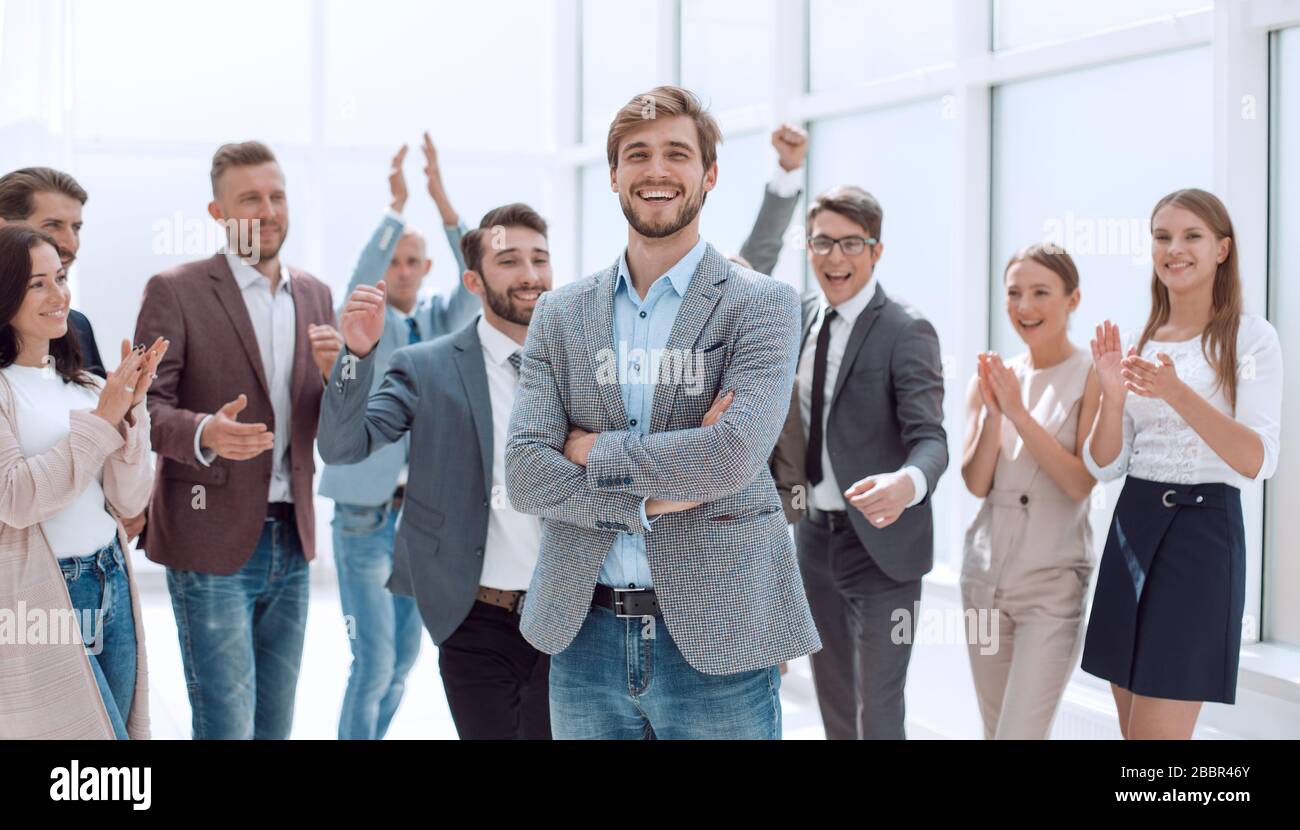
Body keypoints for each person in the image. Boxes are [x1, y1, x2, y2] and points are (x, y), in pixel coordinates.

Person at [504, 85, 820, 740]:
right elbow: (527, 473)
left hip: (721, 634)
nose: (656, 170)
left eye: (676, 153)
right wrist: (649, 501)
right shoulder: (560, 315)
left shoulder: (763, 304)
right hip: (582, 632)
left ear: (707, 174)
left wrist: (593, 452)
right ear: (615, 174)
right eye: (637, 154)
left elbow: (731, 455)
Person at [321, 203, 554, 740]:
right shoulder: (425, 366)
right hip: (474, 622)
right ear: (473, 280)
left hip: (566, 617)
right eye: (510, 260)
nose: (529, 275)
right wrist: (356, 353)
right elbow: (342, 446)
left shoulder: (577, 364)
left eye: (539, 259)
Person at [133, 141, 340, 740]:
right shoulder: (175, 290)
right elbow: (145, 406)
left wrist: (344, 374)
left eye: (277, 196)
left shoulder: (316, 295)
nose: (268, 209)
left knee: (276, 725)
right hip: (208, 536)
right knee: (226, 726)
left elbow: (332, 417)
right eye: (250, 198)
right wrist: (205, 432)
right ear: (218, 213)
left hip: (291, 533)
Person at [1082, 188, 1282, 739]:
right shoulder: (1141, 340)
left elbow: (1258, 460)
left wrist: (1175, 393)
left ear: (1222, 248)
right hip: (1132, 525)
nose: (1175, 248)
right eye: (1163, 236)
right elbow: (1105, 464)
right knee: (1134, 740)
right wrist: (1111, 395)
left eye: (1192, 235)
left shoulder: (1252, 338)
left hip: (1202, 532)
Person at [770, 185, 948, 740]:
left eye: (851, 243)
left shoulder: (905, 329)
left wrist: (908, 483)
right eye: (823, 243)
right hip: (813, 540)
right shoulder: (796, 318)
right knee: (835, 701)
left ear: (876, 250)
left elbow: (931, 438)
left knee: (879, 705)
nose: (835, 258)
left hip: (883, 546)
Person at [320, 135, 480, 740]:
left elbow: (477, 283)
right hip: (364, 515)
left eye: (415, 261)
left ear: (430, 268)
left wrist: (442, 202)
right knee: (374, 660)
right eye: (397, 261)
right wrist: (396, 210)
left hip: (422, 521)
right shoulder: (371, 321)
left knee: (406, 662)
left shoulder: (441, 324)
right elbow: (364, 276)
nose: (405, 270)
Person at [0, 223, 163, 739]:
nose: (59, 295)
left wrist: (130, 414)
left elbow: (129, 498)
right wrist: (100, 422)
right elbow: (17, 499)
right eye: (38, 284)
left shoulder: (88, 384)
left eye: (61, 277)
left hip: (110, 573)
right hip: (47, 596)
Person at [959, 244, 1100, 739]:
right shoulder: (995, 377)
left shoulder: (1092, 376)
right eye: (1014, 293)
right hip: (983, 579)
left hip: (1052, 585)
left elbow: (1081, 482)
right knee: (996, 729)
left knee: (1020, 733)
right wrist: (997, 413)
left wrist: (1019, 412)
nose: (1025, 306)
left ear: (1073, 299)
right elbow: (976, 482)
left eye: (1041, 292)